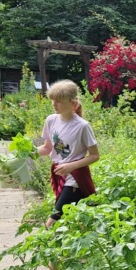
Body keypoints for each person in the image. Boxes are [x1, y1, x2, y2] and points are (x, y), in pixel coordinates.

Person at [36, 79, 100, 231]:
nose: (54, 104)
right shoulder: (51, 120)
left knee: (54, 217)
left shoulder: (83, 126)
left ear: (73, 104)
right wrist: (23, 154)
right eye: (52, 100)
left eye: (58, 101)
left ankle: (40, 243)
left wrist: (70, 166)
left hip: (76, 177)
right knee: (75, 216)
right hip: (59, 174)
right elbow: (47, 148)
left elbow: (95, 155)